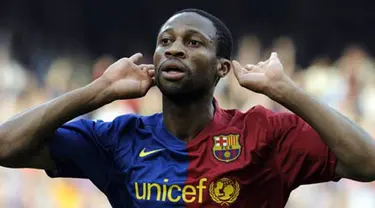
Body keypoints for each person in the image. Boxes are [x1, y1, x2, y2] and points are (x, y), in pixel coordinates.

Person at [0, 8, 375, 208]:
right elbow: (6, 146)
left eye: (194, 42)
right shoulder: (118, 138)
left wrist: (287, 91)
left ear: (221, 68)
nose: (175, 49)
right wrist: (95, 92)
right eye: (165, 41)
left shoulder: (265, 134)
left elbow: (367, 162)